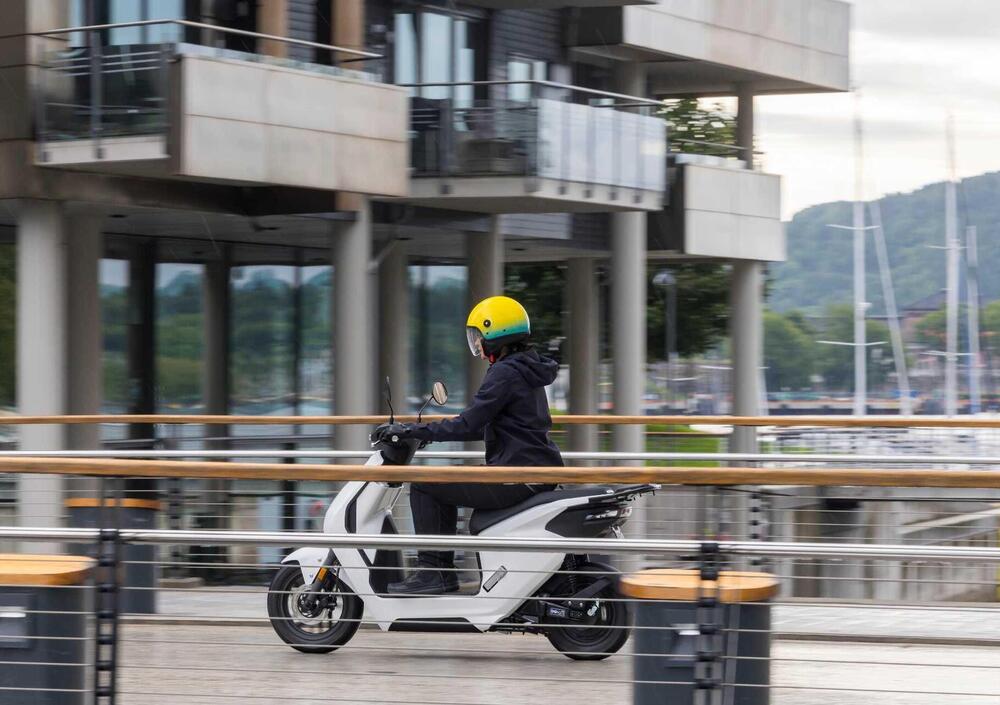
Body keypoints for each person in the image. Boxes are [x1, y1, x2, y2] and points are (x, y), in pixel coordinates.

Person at [372, 295, 563, 595]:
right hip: (532, 471)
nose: (476, 344)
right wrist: (424, 433)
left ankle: (435, 573)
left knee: (425, 484)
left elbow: (468, 424)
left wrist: (411, 430)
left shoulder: (505, 372)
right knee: (448, 479)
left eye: (478, 335)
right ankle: (439, 572)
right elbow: (491, 424)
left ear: (495, 334)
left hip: (515, 476)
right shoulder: (527, 368)